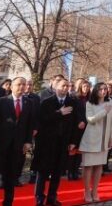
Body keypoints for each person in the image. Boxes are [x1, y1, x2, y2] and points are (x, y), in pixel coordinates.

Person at [0, 77, 35, 206]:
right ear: (11, 86)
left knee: (11, 176)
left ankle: (8, 201)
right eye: (18, 84)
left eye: (24, 85)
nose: (22, 87)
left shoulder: (29, 103)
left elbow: (30, 124)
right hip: (0, 144)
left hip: (17, 146)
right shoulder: (2, 101)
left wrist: (28, 141)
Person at [32, 78, 79, 206]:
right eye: (63, 86)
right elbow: (42, 120)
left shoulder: (72, 102)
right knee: (43, 172)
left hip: (63, 142)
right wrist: (59, 113)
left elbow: (75, 123)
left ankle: (52, 197)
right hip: (47, 143)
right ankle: (39, 198)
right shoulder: (47, 102)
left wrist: (73, 141)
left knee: (57, 172)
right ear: (56, 87)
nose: (66, 88)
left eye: (67, 86)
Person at [79, 82, 112, 202]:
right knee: (88, 166)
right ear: (96, 91)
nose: (104, 91)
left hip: (104, 139)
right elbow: (90, 119)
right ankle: (86, 191)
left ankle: (94, 190)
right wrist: (103, 112)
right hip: (91, 139)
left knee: (99, 166)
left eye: (105, 89)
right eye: (101, 89)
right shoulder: (90, 103)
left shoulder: (110, 102)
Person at [67, 79, 90, 180]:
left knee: (80, 150)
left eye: (88, 87)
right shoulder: (74, 97)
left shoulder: (90, 99)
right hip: (74, 127)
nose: (86, 88)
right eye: (84, 86)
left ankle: (76, 171)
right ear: (80, 87)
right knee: (73, 149)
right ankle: (70, 172)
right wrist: (79, 122)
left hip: (85, 127)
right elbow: (73, 112)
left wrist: (84, 121)